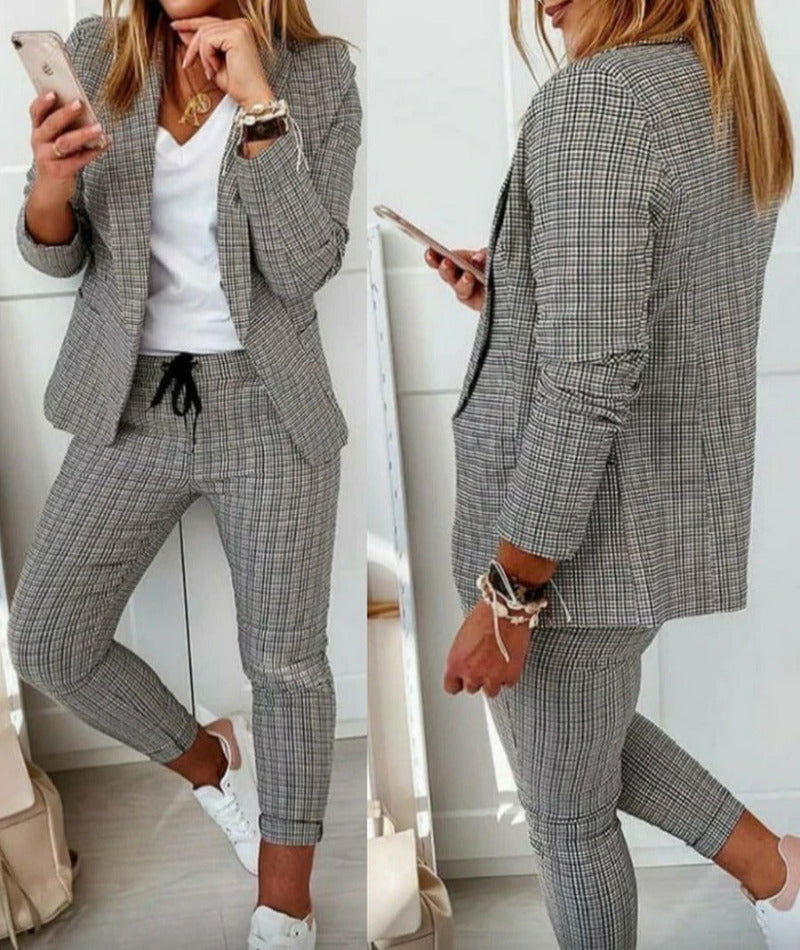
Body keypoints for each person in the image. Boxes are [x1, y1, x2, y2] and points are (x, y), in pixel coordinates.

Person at [425, 0, 796, 946]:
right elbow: (661, 304)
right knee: (581, 743)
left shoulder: (600, 101)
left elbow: (592, 374)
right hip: (654, 512)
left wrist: (510, 596)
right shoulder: (723, 92)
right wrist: (520, 292)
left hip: (576, 543)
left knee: (567, 821)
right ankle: (780, 872)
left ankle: (781, 873)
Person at [9, 1, 361, 948]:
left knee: (286, 665)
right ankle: (209, 762)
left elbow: (302, 267)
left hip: (269, 408)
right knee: (48, 638)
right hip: (128, 402)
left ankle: (285, 906)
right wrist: (50, 182)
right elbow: (55, 250)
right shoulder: (100, 53)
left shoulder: (318, 74)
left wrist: (259, 106)